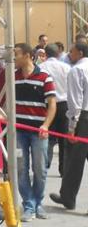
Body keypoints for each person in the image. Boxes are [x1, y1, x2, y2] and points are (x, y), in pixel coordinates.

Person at [0, 43, 56, 222]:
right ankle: (29, 204)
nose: (13, 57)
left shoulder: (44, 77)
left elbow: (52, 105)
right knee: (20, 169)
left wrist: (46, 125)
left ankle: (38, 203)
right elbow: (6, 102)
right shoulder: (12, 78)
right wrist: (0, 115)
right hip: (18, 132)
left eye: (17, 54)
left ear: (28, 55)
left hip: (38, 132)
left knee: (40, 169)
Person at [50, 41, 88, 211]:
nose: (69, 54)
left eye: (71, 51)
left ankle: (68, 197)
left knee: (73, 161)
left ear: (80, 53)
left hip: (83, 119)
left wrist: (72, 127)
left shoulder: (77, 70)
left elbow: (75, 101)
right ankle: (67, 196)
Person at [42, 43, 70, 175]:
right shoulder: (66, 67)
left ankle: (45, 163)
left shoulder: (41, 68)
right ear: (58, 53)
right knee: (63, 138)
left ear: (45, 54)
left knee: (46, 136)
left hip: (47, 104)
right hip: (63, 104)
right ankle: (63, 168)